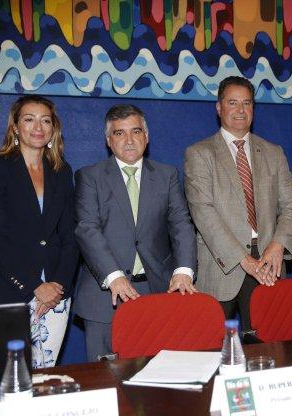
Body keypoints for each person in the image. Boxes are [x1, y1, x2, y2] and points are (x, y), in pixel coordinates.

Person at [74, 104, 197, 362]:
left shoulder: (167, 175)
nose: (129, 140)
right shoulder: (89, 176)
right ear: (108, 140)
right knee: (106, 380)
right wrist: (114, 276)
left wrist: (184, 270)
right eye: (119, 133)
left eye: (136, 131)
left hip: (157, 292)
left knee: (158, 375)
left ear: (147, 136)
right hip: (105, 298)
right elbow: (87, 228)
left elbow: (181, 223)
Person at [184, 76, 292, 331]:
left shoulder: (274, 152)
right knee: (213, 350)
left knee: (267, 349)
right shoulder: (199, 154)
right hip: (221, 264)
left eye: (246, 103)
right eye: (232, 103)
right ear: (219, 108)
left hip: (268, 262)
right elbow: (203, 212)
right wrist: (243, 259)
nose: (240, 110)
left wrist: (278, 244)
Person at [0, 95, 78, 368]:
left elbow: (70, 236)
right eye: (29, 119)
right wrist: (35, 286)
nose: (38, 126)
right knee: (6, 379)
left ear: (53, 129)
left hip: (56, 297)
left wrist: (57, 286)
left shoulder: (62, 171)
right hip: (12, 292)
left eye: (46, 120)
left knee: (43, 379)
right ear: (15, 126)